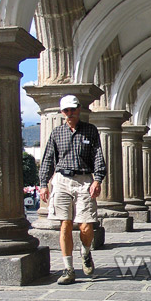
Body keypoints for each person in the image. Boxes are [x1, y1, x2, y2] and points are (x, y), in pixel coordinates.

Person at [39, 95, 106, 285]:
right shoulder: (56, 133)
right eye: (66, 111)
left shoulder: (90, 131)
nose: (70, 114)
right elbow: (48, 159)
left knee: (86, 225)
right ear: (62, 113)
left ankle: (85, 251)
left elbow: (98, 156)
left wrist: (98, 179)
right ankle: (68, 269)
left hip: (84, 179)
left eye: (72, 110)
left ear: (78, 110)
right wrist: (44, 183)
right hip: (62, 180)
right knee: (65, 224)